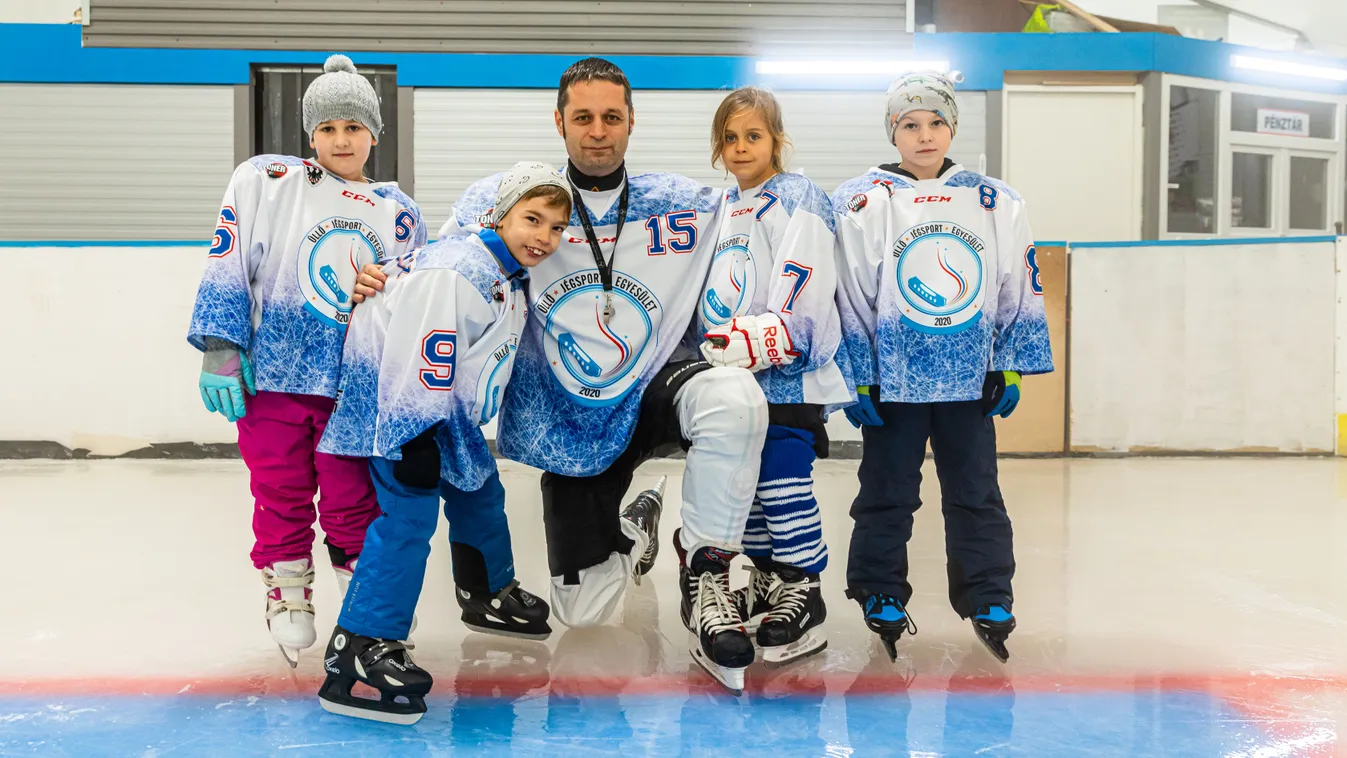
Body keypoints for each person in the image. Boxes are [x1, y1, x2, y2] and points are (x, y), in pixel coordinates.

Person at [358, 57, 768, 695]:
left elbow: (762, 206)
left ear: (632, 121)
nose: (597, 131)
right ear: (559, 121)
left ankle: (708, 576)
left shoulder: (685, 200)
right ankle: (634, 525)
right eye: (583, 117)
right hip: (568, 420)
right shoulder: (509, 199)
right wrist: (383, 275)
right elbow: (442, 265)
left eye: (611, 117)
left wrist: (796, 192)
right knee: (583, 613)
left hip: (657, 382)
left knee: (734, 397)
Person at [186, 54, 425, 668]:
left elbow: (417, 299)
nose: (340, 140)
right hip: (275, 381)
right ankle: (288, 588)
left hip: (354, 387)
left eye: (352, 126)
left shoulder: (399, 212)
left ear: (375, 131)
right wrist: (221, 343)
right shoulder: (269, 182)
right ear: (308, 135)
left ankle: (362, 599)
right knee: (279, 487)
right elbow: (229, 256)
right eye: (326, 128)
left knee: (352, 498)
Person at [314, 162, 570, 725]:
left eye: (555, 227)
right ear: (499, 217)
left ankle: (488, 592)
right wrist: (414, 431)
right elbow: (413, 347)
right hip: (400, 405)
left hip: (442, 407)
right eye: (532, 219)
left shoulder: (501, 270)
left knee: (479, 489)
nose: (543, 237)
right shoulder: (458, 271)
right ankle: (360, 646)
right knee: (407, 515)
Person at [832, 71, 1053, 663]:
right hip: (892, 381)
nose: (924, 135)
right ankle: (879, 590)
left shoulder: (994, 199)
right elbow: (848, 293)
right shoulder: (860, 200)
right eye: (910, 124)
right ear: (893, 132)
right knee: (886, 492)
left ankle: (988, 595)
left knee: (976, 492)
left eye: (935, 123)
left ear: (952, 127)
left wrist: (1009, 362)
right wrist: (857, 371)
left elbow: (1017, 283)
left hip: (969, 378)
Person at [697, 86, 853, 667]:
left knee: (784, 480)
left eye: (753, 136)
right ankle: (766, 578)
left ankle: (803, 586)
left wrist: (771, 337)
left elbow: (804, 273)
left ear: (777, 141)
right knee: (751, 487)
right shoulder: (724, 208)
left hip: (786, 380)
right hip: (735, 381)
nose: (741, 148)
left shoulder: (796, 196)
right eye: (730, 138)